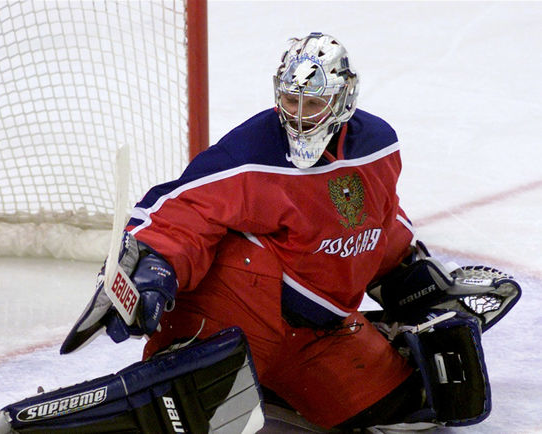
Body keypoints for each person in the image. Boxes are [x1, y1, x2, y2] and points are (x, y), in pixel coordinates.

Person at [60, 32, 519, 431]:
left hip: (320, 334)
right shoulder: (250, 151)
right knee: (196, 400)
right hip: (241, 315)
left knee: (406, 402)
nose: (299, 116)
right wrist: (153, 267)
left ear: (342, 100)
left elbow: (375, 222)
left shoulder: (377, 148)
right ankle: (194, 370)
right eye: (291, 101)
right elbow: (183, 211)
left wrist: (410, 276)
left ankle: (278, 383)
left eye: (313, 103)